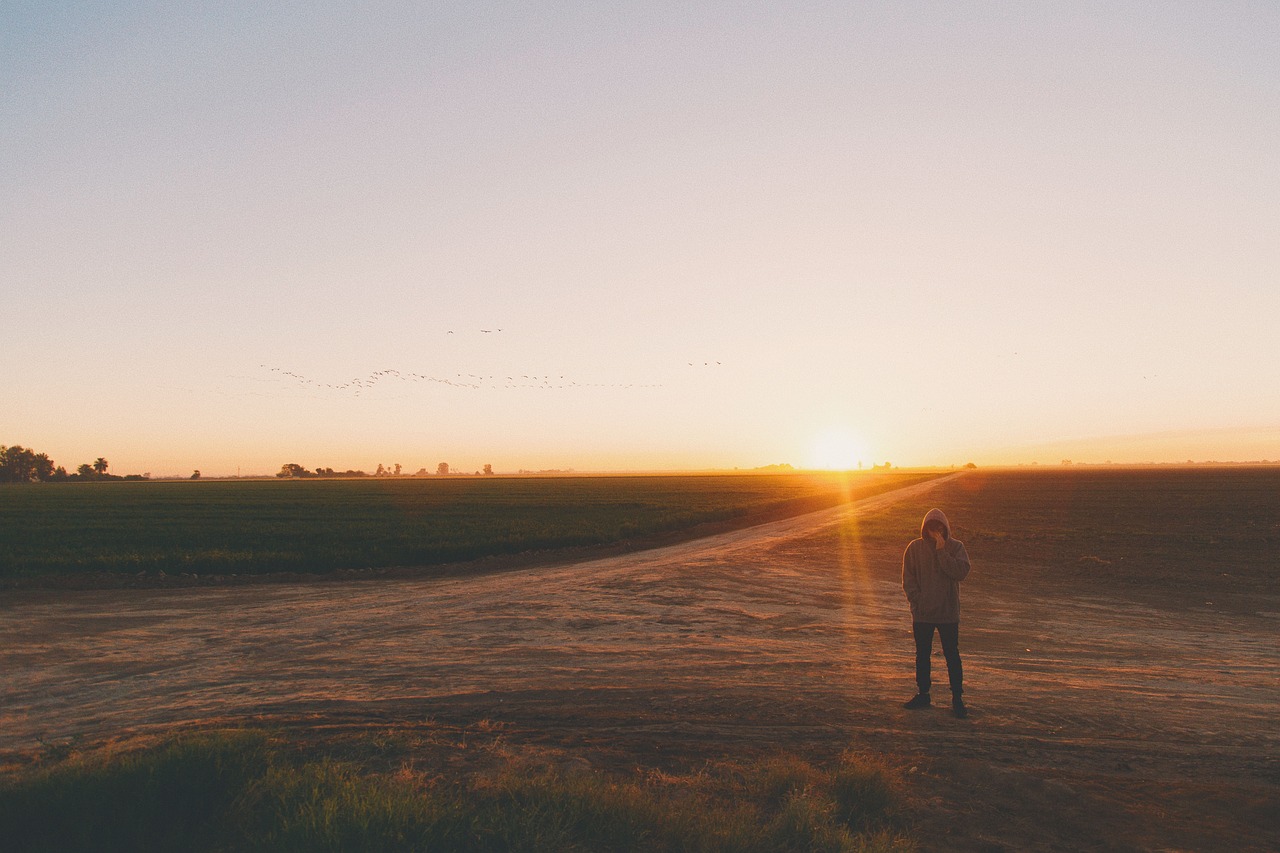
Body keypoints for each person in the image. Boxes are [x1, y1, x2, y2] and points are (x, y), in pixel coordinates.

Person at [901, 508, 971, 718]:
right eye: (932, 527)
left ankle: (957, 698)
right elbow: (908, 579)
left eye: (940, 527)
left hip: (948, 614)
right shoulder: (914, 548)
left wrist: (942, 552)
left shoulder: (956, 547)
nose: (936, 531)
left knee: (952, 655)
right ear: (925, 528)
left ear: (946, 527)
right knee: (922, 655)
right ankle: (923, 694)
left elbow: (960, 572)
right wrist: (918, 601)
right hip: (923, 614)